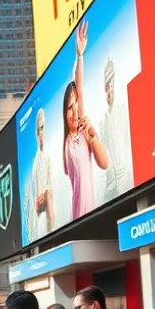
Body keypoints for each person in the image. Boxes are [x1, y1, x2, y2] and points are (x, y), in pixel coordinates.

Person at [62, 21, 109, 220]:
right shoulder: (65, 144)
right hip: (76, 217)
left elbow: (104, 163)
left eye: (76, 106)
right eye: (69, 108)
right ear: (64, 111)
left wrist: (79, 56)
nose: (74, 112)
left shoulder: (83, 130)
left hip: (91, 214)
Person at [99, 57, 133, 203]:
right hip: (112, 179)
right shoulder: (103, 120)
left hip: (125, 173)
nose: (109, 91)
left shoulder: (122, 108)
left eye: (111, 85)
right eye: (106, 87)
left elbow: (128, 139)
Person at [31, 107, 56, 239]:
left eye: (43, 127)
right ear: (36, 132)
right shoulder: (38, 160)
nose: (42, 132)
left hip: (48, 224)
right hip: (43, 224)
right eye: (40, 128)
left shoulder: (48, 154)